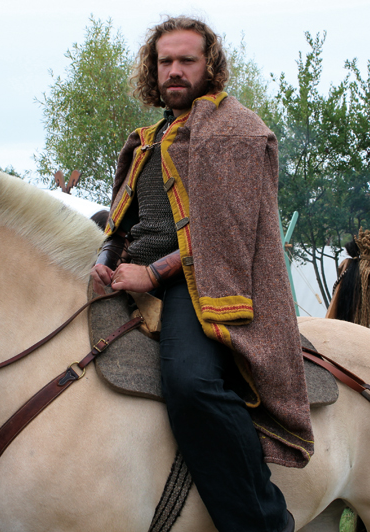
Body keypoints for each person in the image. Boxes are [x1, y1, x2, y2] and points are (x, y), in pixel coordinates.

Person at [90, 17, 312, 532]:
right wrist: (106, 261)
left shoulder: (236, 132)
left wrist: (153, 274)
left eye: (186, 60)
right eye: (165, 61)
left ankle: (263, 520)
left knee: (191, 382)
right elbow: (122, 220)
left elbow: (223, 235)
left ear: (209, 66)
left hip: (207, 282)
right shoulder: (148, 138)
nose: (174, 71)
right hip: (134, 273)